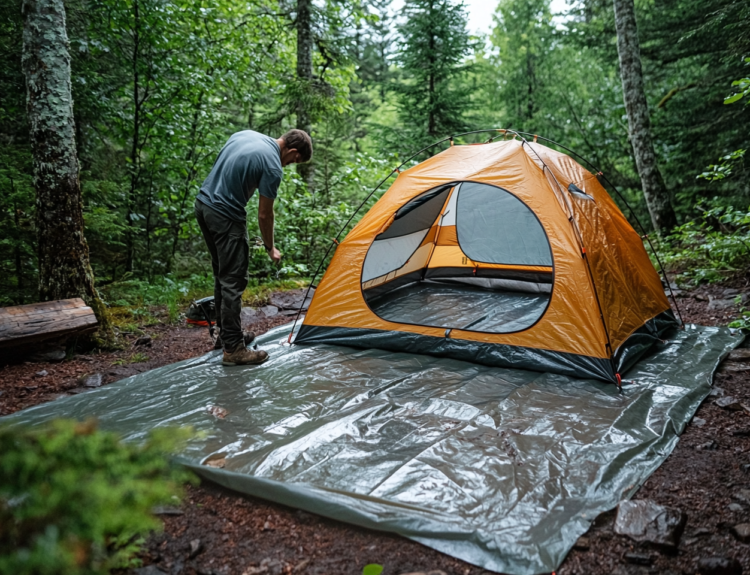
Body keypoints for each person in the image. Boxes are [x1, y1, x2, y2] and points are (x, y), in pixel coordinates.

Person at [195, 129, 312, 366]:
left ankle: (227, 336)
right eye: (293, 161)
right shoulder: (272, 166)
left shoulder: (245, 134)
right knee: (233, 281)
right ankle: (234, 350)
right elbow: (264, 214)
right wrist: (270, 247)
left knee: (222, 276)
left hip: (203, 205)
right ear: (292, 151)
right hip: (226, 216)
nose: (289, 165)